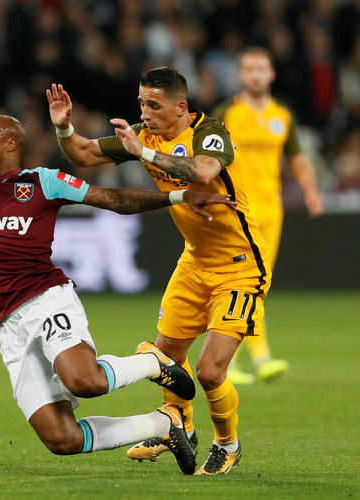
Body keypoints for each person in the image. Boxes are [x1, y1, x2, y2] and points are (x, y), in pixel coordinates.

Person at [0, 114, 237, 474]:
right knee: (62, 439)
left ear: (10, 144)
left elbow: (113, 199)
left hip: (47, 298)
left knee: (85, 380)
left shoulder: (42, 182)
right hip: (7, 324)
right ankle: (163, 425)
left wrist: (178, 196)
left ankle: (153, 361)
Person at [46, 66, 270, 475]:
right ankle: (178, 425)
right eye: (141, 104)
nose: (145, 113)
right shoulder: (142, 134)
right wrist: (64, 128)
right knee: (167, 355)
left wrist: (142, 153)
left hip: (240, 265)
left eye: (154, 105)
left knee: (209, 370)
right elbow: (82, 154)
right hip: (194, 263)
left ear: (181, 107)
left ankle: (228, 445)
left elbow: (203, 172)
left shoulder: (209, 131)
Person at [211, 46, 324, 384]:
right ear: (240, 75)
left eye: (262, 68)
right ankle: (255, 357)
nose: (256, 75)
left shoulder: (282, 116)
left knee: (257, 285)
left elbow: (298, 159)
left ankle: (234, 359)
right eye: (249, 69)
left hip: (271, 211)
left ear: (271, 73)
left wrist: (311, 191)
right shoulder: (225, 114)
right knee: (241, 283)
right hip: (234, 210)